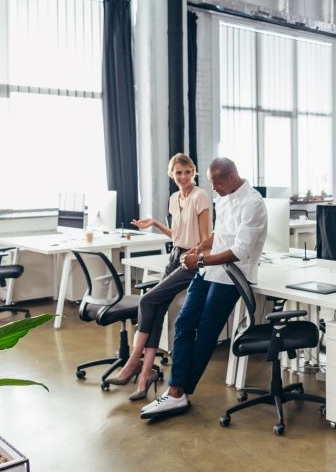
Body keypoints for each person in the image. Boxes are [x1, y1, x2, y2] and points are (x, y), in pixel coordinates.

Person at [141, 157, 267, 419]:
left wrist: (200, 259)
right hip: (208, 268)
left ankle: (178, 392)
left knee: (206, 331)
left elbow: (240, 251)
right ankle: (177, 391)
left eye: (217, 183)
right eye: (211, 183)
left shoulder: (253, 203)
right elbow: (221, 235)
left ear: (232, 177)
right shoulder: (224, 195)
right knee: (184, 322)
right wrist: (202, 247)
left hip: (233, 275)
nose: (214, 189)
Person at [106, 153, 211, 400]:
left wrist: (193, 255)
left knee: (146, 300)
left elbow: (206, 239)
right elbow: (176, 233)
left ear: (193, 172)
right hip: (175, 255)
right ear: (172, 175)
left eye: (187, 172)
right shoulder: (175, 198)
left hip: (191, 260)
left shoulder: (201, 197)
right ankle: (144, 377)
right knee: (157, 308)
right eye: (178, 173)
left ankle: (132, 362)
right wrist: (154, 222)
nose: (183, 177)